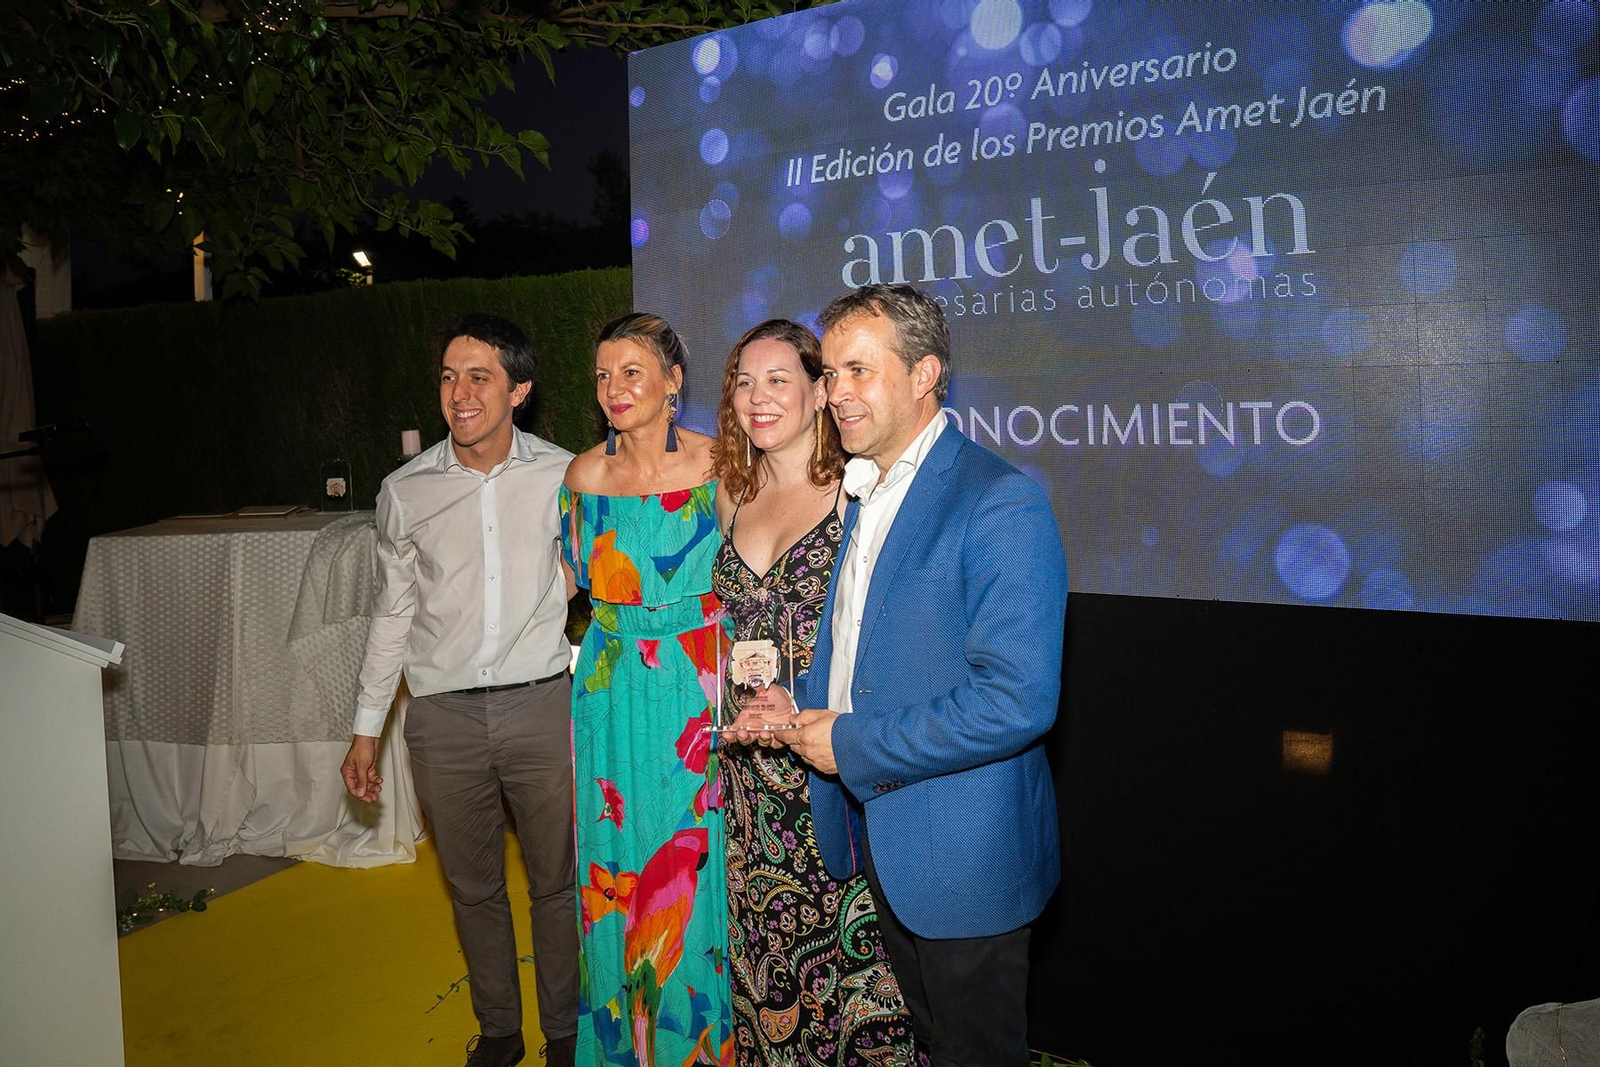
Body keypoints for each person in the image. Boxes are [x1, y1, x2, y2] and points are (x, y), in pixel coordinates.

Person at [775, 284, 1068, 1067]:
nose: (835, 393)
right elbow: (866, 656)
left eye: (858, 371)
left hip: (967, 859)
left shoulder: (999, 502)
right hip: (888, 843)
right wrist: (802, 701)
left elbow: (1018, 700)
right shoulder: (868, 488)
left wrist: (854, 744)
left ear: (924, 373)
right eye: (830, 373)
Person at [340, 313, 579, 1067]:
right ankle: (501, 1030)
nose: (460, 392)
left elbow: (596, 574)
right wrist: (364, 728)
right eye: (448, 375)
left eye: (479, 375)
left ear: (520, 388)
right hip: (440, 718)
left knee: (559, 884)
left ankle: (568, 1035)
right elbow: (393, 613)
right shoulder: (404, 492)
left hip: (544, 706)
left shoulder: (567, 474)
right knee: (472, 889)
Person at [708, 320, 921, 1067]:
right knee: (768, 970)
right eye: (743, 381)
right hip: (745, 779)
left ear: (818, 391)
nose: (757, 399)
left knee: (851, 969)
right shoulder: (726, 495)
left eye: (777, 380)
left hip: (826, 769)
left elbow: (885, 637)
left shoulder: (855, 495)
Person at [559, 312, 733, 1066]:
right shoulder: (582, 476)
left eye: (632, 371)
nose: (614, 389)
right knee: (614, 861)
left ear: (673, 381)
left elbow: (753, 577)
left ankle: (700, 1042)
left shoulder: (723, 463)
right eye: (603, 374)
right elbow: (571, 586)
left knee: (695, 865)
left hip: (698, 686)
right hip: (610, 690)